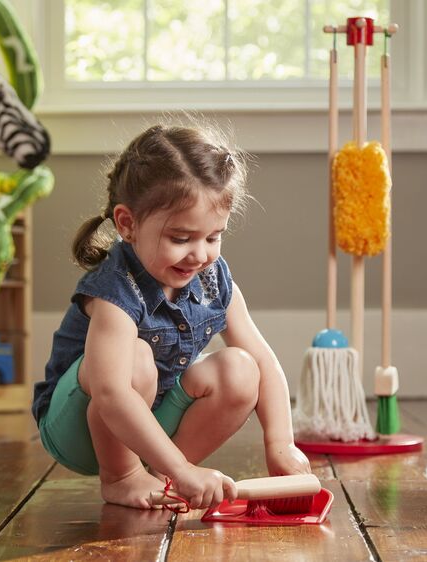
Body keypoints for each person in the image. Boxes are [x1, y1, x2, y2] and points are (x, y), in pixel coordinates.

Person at [32, 124, 311, 510]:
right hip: (78, 429)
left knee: (242, 370)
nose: (199, 254)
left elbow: (264, 361)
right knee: (138, 358)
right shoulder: (115, 289)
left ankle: (163, 480)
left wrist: (281, 444)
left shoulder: (212, 278)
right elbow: (111, 393)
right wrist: (184, 468)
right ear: (127, 224)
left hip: (149, 425)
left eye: (213, 237)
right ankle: (123, 477)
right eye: (181, 238)